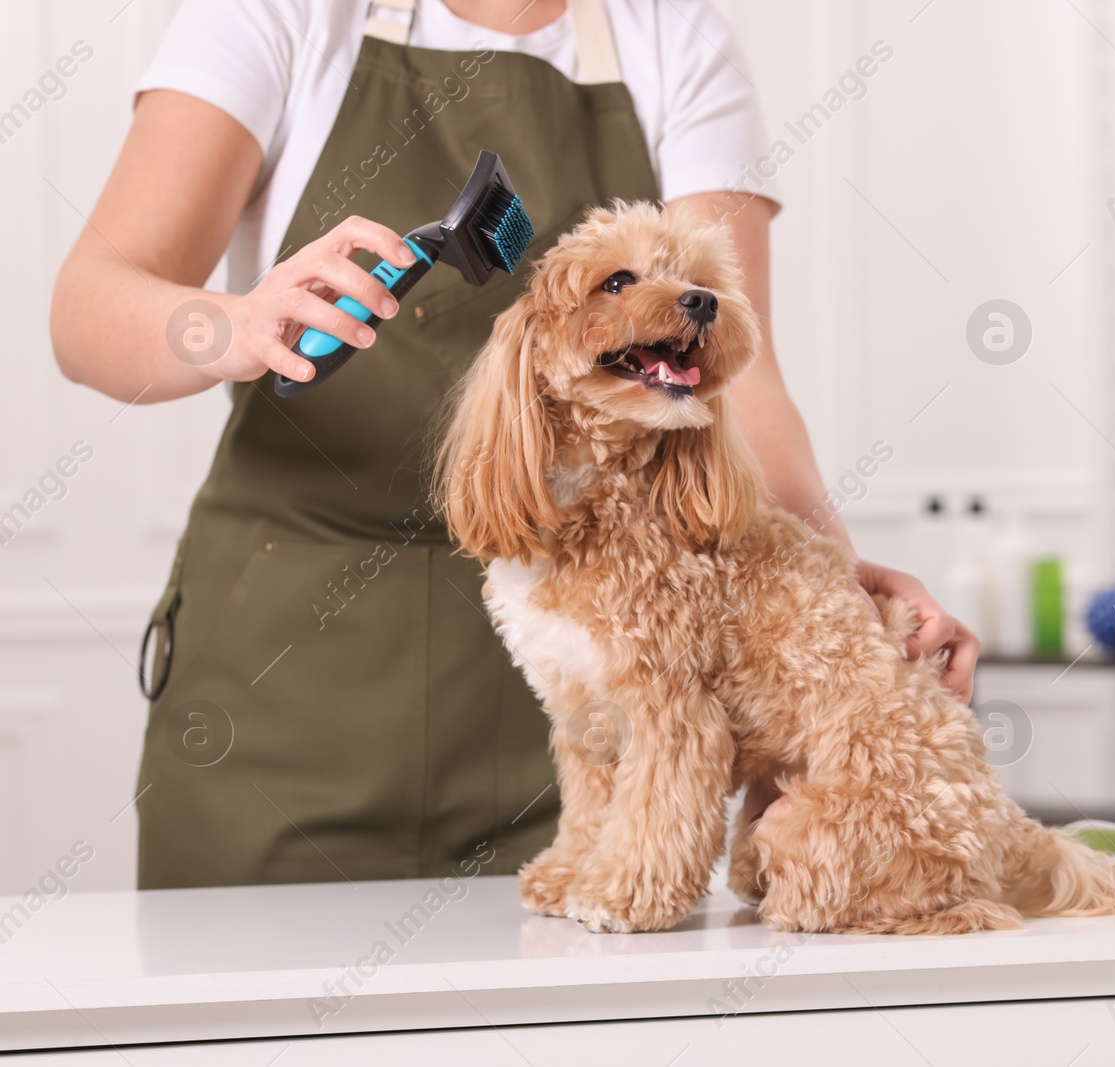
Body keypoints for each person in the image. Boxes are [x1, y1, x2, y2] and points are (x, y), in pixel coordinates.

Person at [50, 0, 979, 890]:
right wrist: (236, 323)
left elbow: (734, 373)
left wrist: (833, 574)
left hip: (581, 704)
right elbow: (87, 312)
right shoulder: (279, 13)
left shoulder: (673, 39)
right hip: (282, 691)